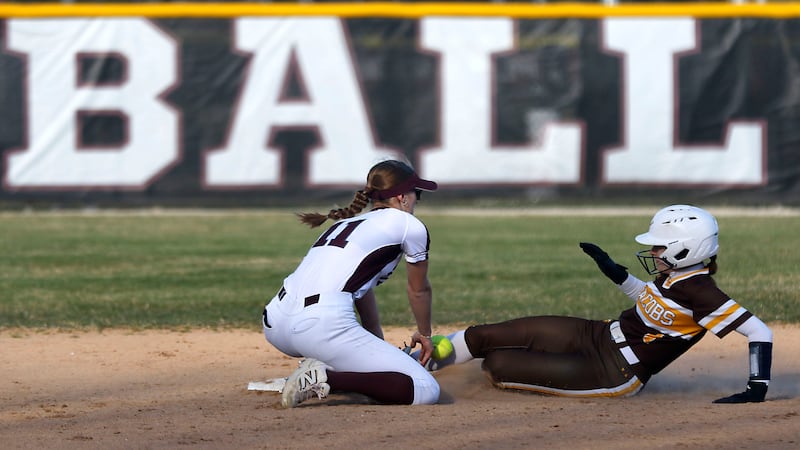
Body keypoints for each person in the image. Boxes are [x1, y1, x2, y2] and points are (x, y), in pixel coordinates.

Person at [420, 205, 773, 403]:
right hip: (598, 335)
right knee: (484, 336)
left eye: (659, 247)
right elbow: (651, 301)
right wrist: (616, 273)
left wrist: (756, 388)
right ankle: (420, 362)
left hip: (614, 372)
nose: (652, 252)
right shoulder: (675, 276)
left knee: (497, 364)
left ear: (686, 250)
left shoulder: (703, 292)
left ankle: (424, 377)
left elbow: (759, 331)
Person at [262, 159, 441, 408]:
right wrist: (424, 334)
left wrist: (376, 344)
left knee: (376, 367)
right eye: (416, 194)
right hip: (320, 326)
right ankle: (326, 377)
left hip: (275, 322)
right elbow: (418, 290)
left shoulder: (344, 224)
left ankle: (319, 368)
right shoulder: (408, 224)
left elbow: (360, 289)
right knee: (425, 389)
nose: (416, 201)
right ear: (402, 197)